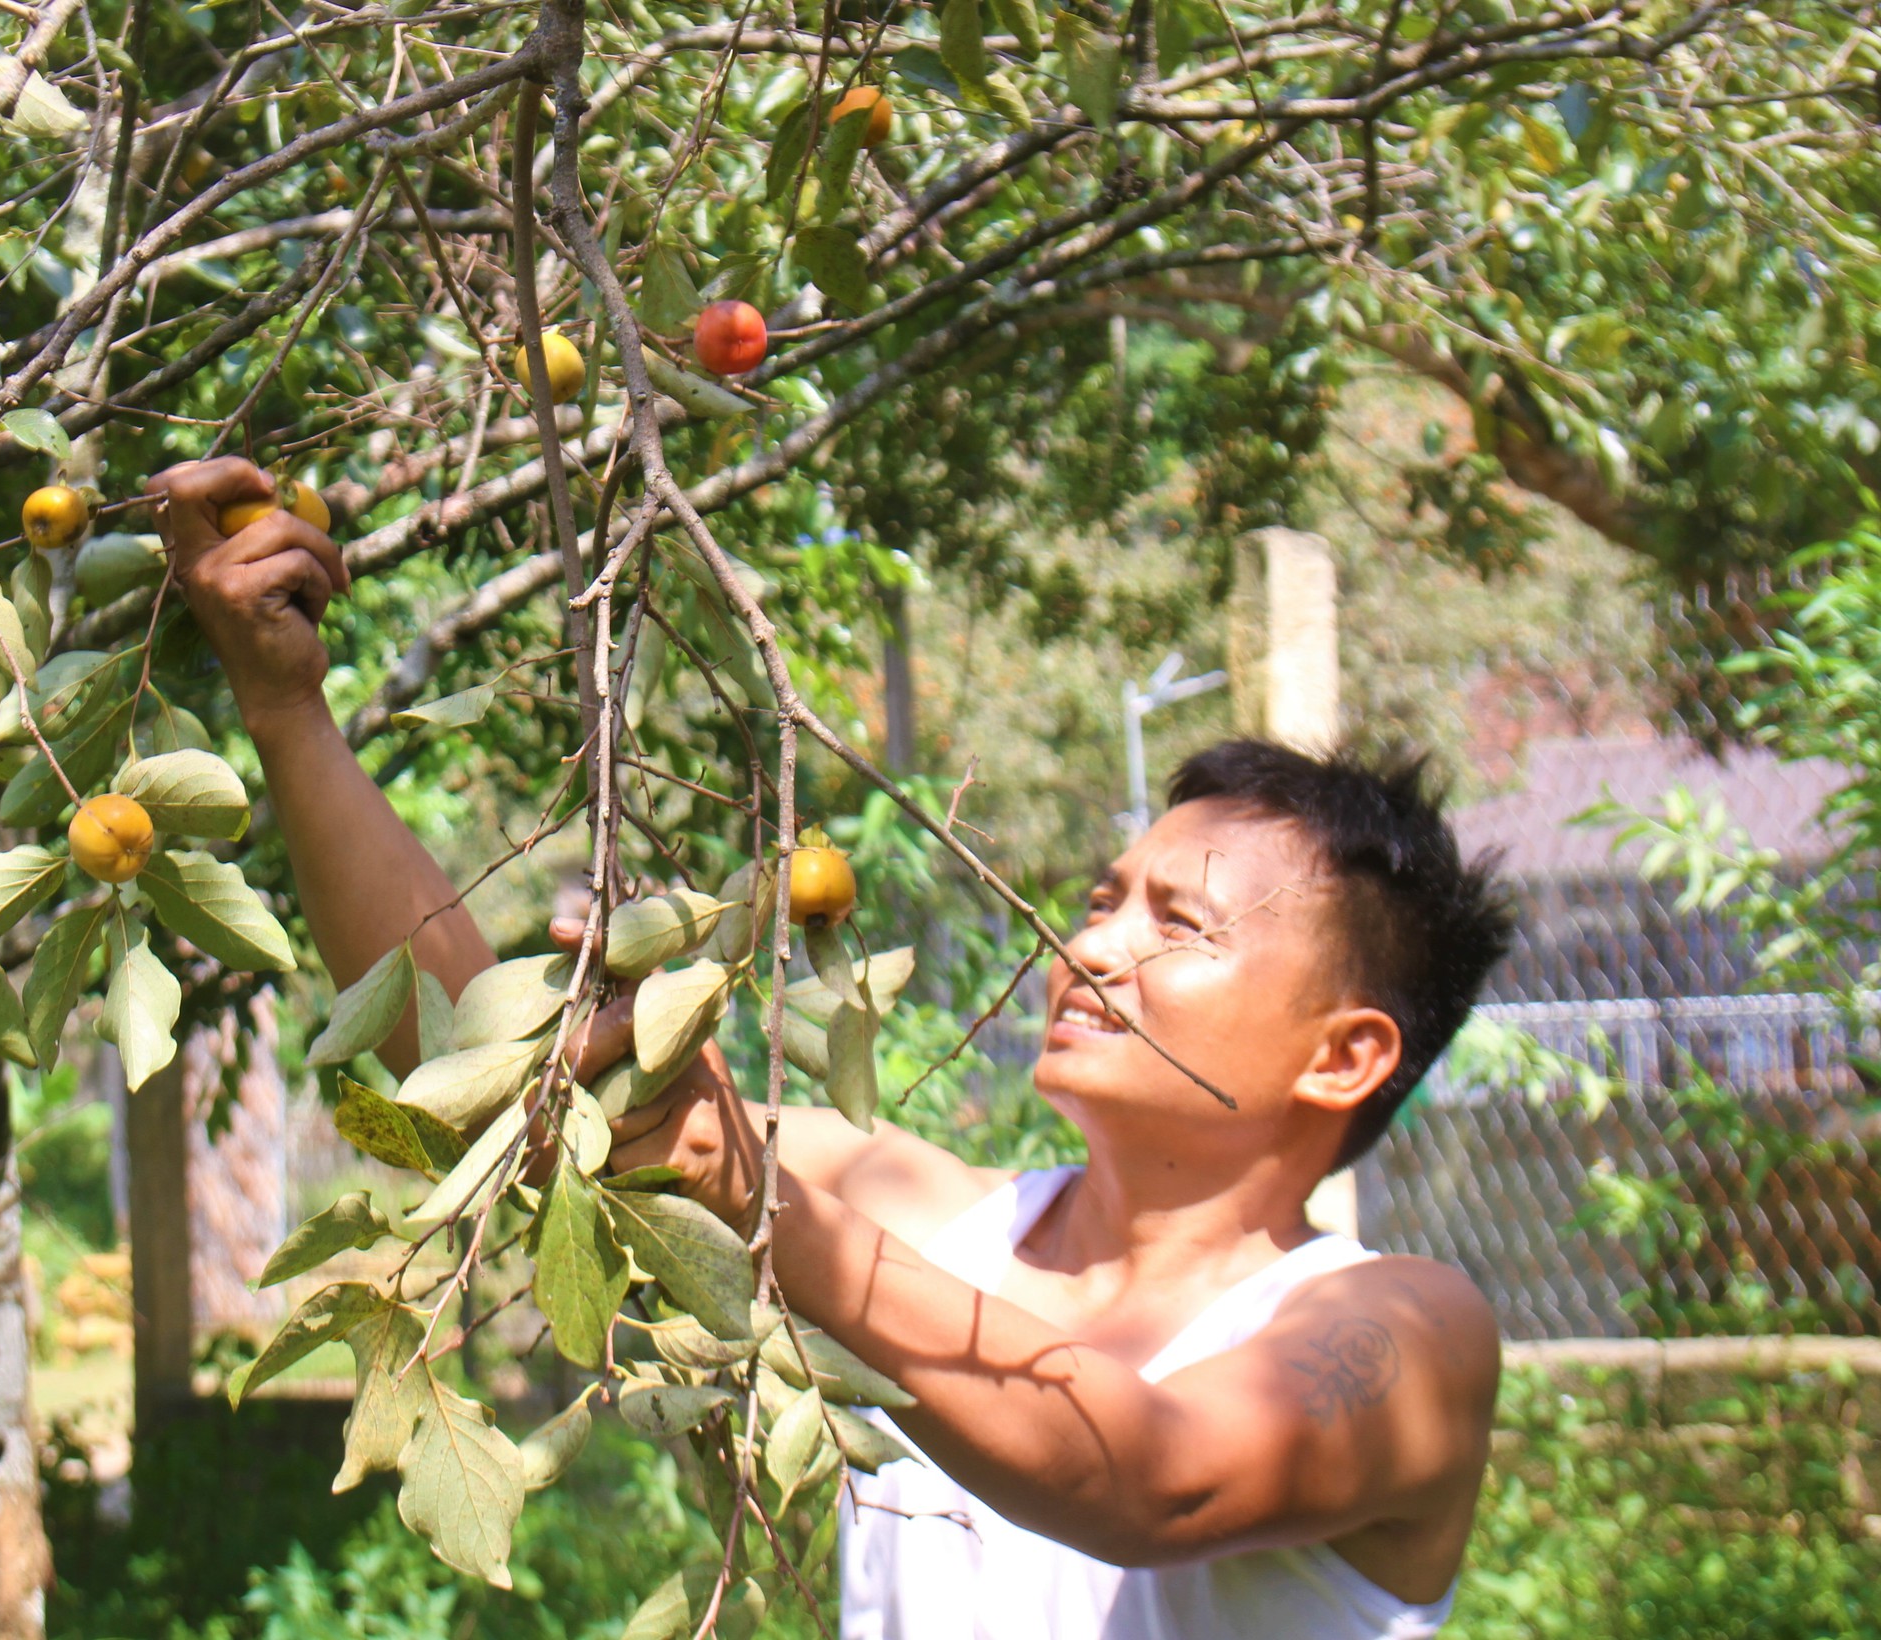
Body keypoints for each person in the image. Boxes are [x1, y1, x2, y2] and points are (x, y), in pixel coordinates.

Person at [151, 457, 1517, 1640]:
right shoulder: (907, 1215)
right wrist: (286, 711)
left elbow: (1148, 1475)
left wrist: (752, 1197)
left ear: (1343, 1057)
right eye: (1101, 902)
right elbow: (472, 1056)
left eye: (1180, 924)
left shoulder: (1402, 1336)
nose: (1090, 948)